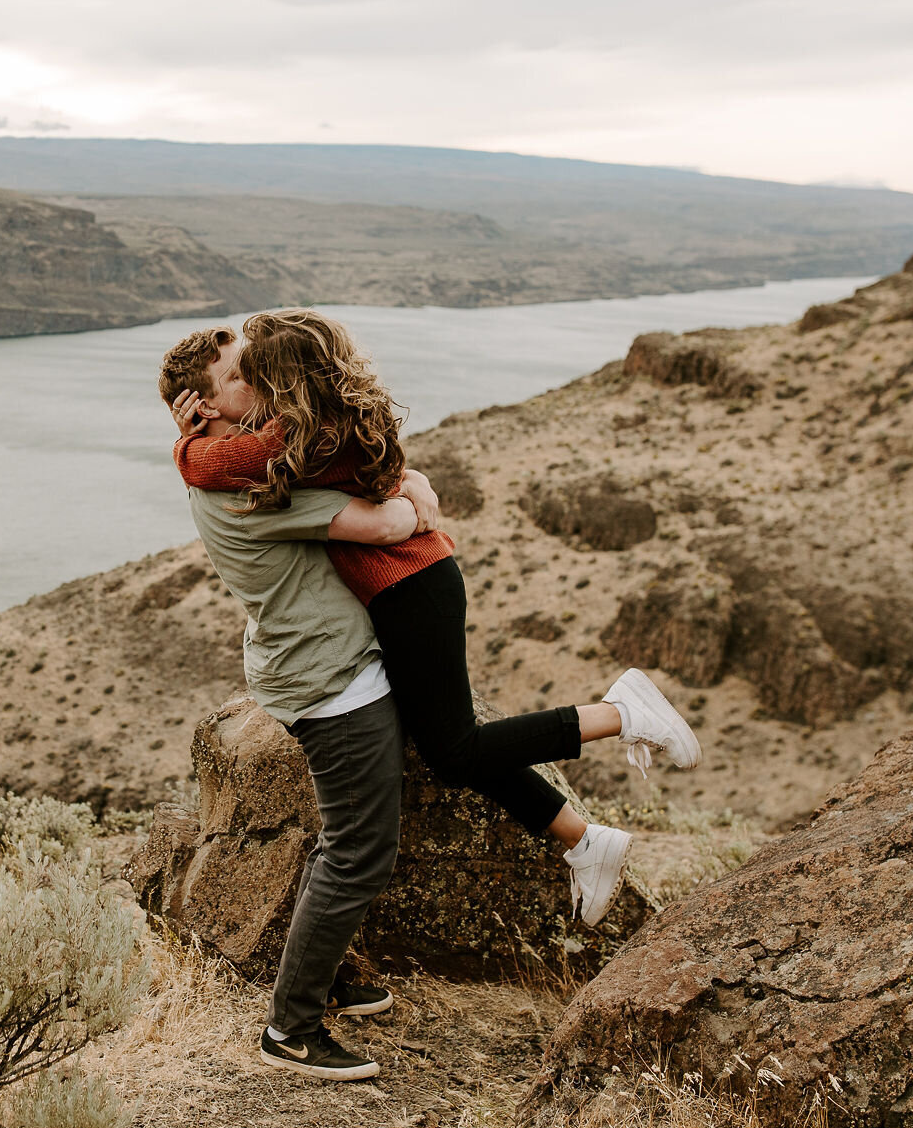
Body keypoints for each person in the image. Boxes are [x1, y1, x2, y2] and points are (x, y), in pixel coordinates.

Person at [162, 311, 702, 937]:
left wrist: (185, 445)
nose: (252, 378)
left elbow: (218, 471)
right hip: (403, 588)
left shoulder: (298, 436)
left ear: (291, 375)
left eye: (256, 367)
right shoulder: (308, 419)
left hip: (410, 587)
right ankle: (584, 841)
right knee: (444, 739)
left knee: (454, 749)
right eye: (238, 373)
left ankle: (620, 714)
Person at [157, 327, 432, 1083]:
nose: (262, 380)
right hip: (331, 676)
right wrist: (418, 495)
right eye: (243, 376)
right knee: (359, 848)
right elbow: (385, 522)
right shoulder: (243, 484)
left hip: (312, 662)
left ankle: (325, 969)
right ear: (203, 409)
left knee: (337, 835)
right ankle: (292, 1025)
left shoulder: (227, 466)